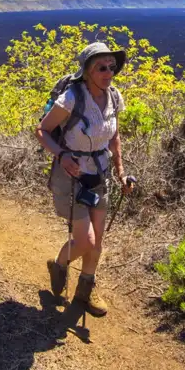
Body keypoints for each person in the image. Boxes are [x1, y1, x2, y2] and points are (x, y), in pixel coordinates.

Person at [35, 42, 134, 317]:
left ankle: (86, 289)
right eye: (101, 67)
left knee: (98, 239)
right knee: (86, 241)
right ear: (87, 71)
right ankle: (59, 264)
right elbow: (42, 130)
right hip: (71, 175)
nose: (109, 72)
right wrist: (61, 155)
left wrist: (121, 171)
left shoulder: (114, 96)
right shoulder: (71, 98)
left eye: (111, 66)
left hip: (99, 173)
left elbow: (114, 136)